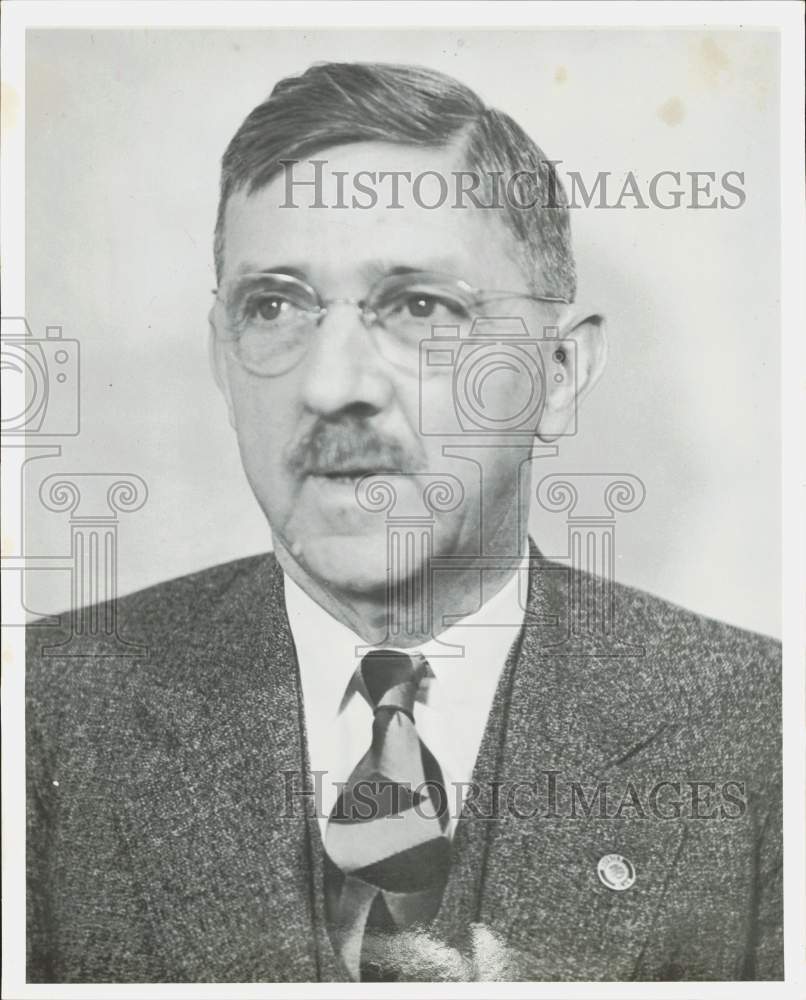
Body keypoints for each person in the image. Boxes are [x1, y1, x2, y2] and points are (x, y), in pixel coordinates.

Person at [26, 61, 782, 983]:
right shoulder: (41, 710)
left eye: (421, 306)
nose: (332, 385)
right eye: (274, 306)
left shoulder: (766, 728)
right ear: (222, 360)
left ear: (560, 371)